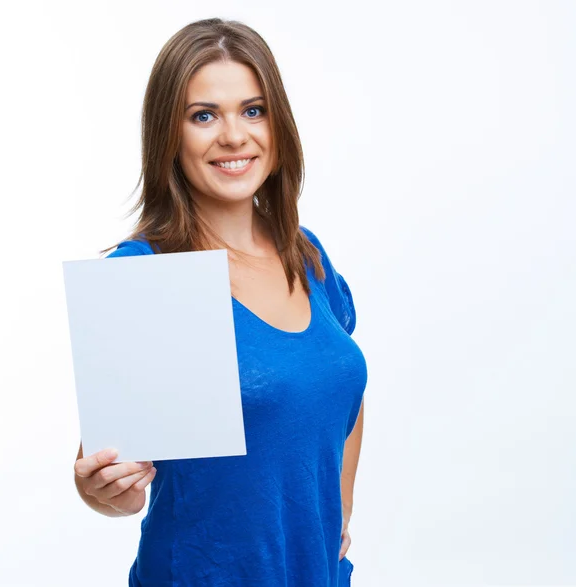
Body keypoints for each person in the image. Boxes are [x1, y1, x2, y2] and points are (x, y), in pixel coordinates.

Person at [73, 18, 367, 587]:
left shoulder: (306, 256)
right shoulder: (144, 277)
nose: (234, 136)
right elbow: (112, 476)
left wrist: (340, 510)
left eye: (253, 110)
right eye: (204, 115)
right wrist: (102, 489)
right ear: (169, 135)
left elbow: (344, 390)